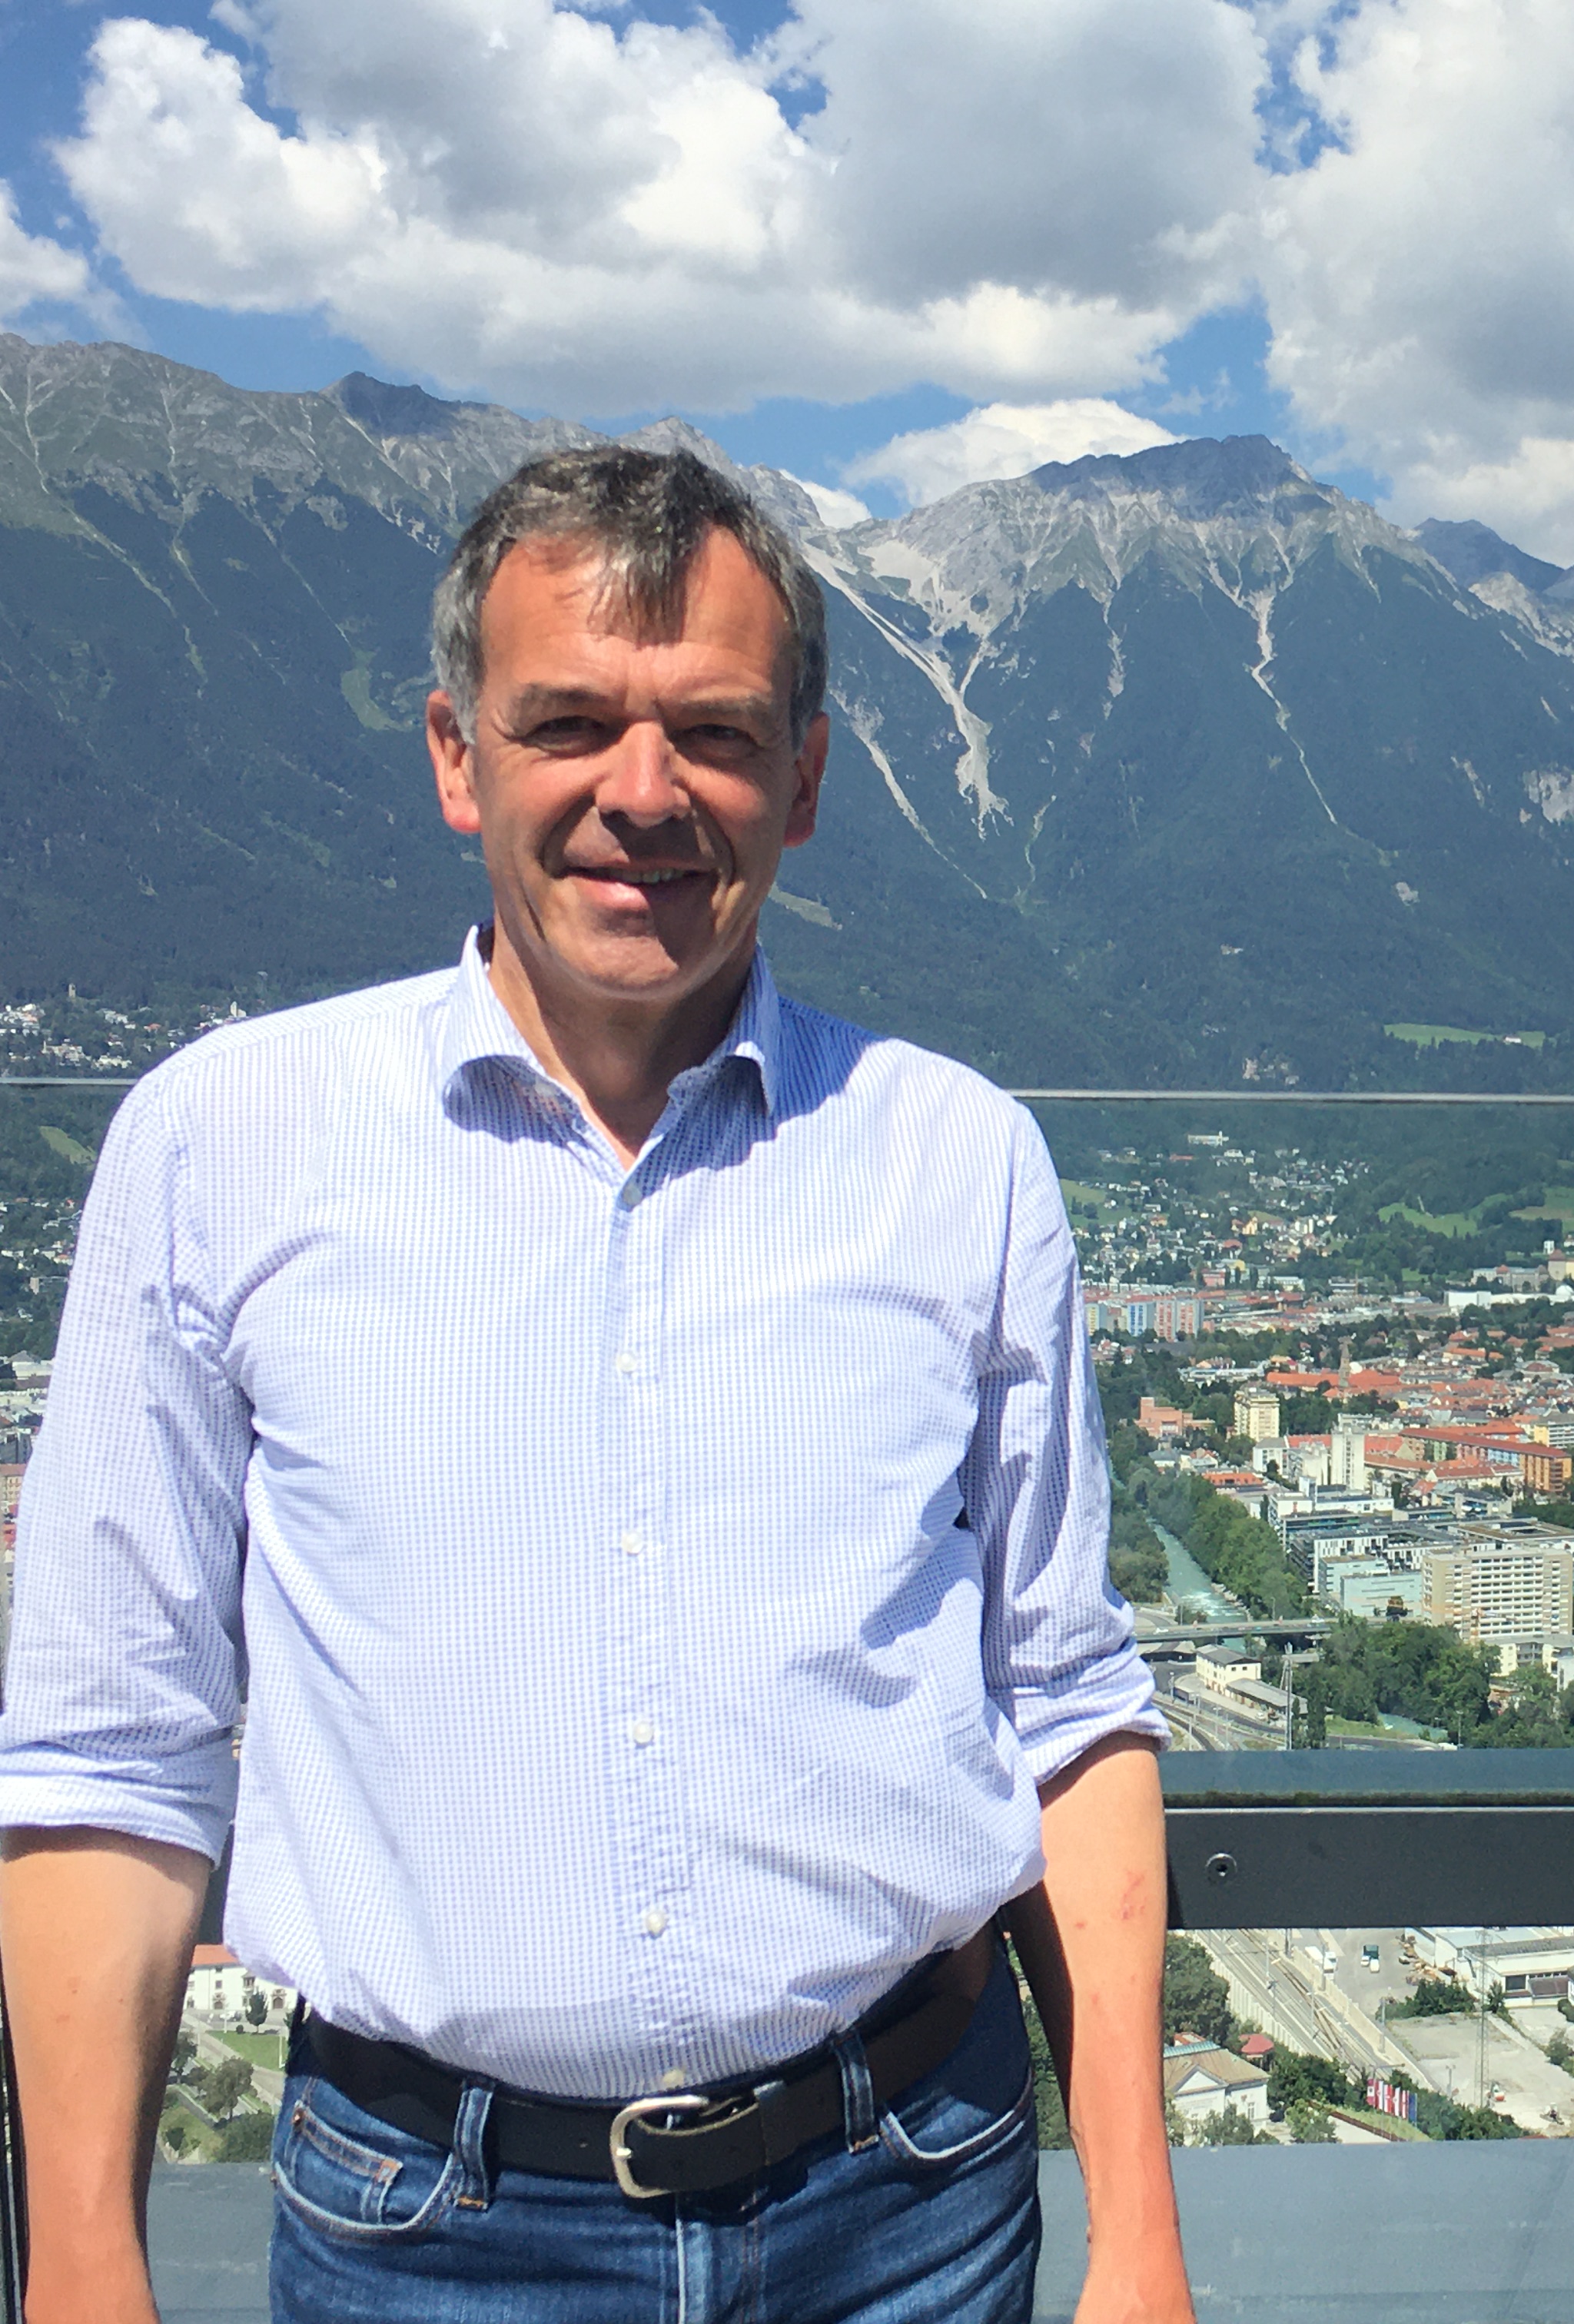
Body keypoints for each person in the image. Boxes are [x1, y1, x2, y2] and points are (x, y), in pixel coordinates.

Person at [0, 447, 1194, 2324]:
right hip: (428, 2231)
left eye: (713, 733)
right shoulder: (223, 1146)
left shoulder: (958, 1161)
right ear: (458, 758)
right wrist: (83, 2269)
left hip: (913, 2203)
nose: (644, 795)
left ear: (800, 783)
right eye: (569, 723)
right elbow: (105, 1755)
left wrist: (1141, 2239)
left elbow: (1065, 1701)